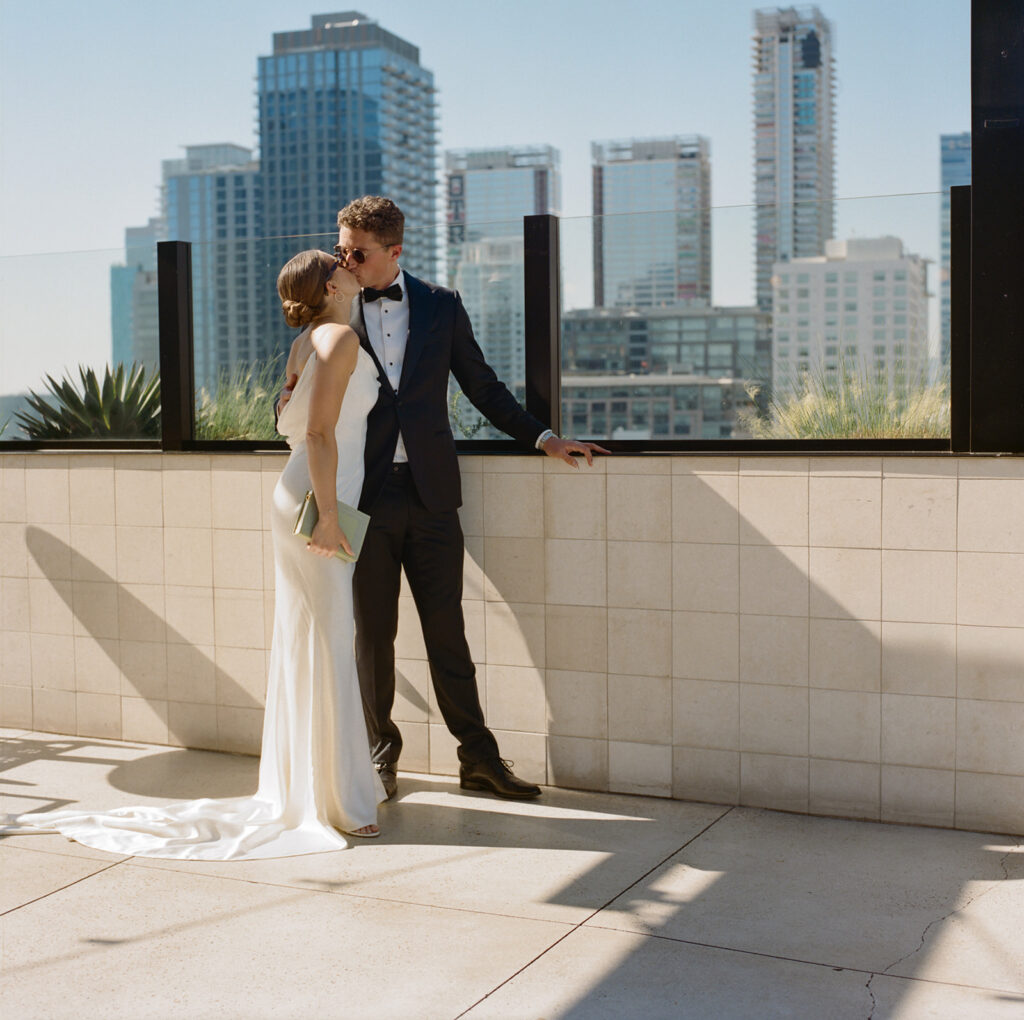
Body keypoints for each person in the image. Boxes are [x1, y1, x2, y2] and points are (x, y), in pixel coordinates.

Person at [3, 251, 385, 859]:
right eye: (339, 264)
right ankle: (344, 803)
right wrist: (332, 515)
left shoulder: (308, 343)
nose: (348, 265)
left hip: (298, 495)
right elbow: (314, 432)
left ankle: (320, 790)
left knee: (309, 639)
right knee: (331, 638)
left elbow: (288, 417)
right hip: (319, 502)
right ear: (331, 286)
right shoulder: (337, 337)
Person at [331, 195, 607, 801]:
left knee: (447, 633)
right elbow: (301, 394)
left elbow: (482, 384)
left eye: (356, 251)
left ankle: (478, 759)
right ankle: (380, 758)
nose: (344, 259)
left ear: (394, 251)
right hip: (364, 497)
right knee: (372, 637)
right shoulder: (334, 306)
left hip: (432, 498)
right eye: (340, 248)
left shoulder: (441, 306)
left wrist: (543, 436)